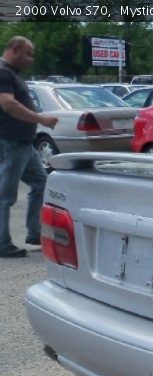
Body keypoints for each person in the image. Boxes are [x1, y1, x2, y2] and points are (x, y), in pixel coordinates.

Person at [0, 36, 58, 258]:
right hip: (11, 142)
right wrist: (40, 119)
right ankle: (2, 243)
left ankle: (35, 233)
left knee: (41, 183)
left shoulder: (12, 74)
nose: (31, 60)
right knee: (5, 196)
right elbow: (7, 104)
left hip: (24, 145)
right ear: (14, 49)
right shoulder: (3, 72)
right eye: (28, 54)